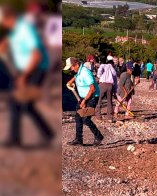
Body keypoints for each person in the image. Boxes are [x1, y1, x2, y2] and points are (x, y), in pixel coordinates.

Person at [0, 6, 54, 147]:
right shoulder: (15, 31)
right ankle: (16, 138)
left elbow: (37, 55)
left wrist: (24, 76)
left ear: (8, 18)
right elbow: (5, 44)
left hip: (35, 69)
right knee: (17, 103)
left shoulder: (25, 29)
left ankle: (47, 133)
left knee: (25, 104)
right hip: (24, 70)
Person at [64, 57, 103, 146]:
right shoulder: (78, 72)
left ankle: (99, 136)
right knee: (78, 117)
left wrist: (84, 101)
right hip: (82, 97)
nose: (71, 69)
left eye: (71, 67)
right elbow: (75, 77)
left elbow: (92, 89)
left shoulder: (85, 72)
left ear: (76, 65)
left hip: (91, 98)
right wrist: (69, 83)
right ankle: (78, 139)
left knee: (85, 119)